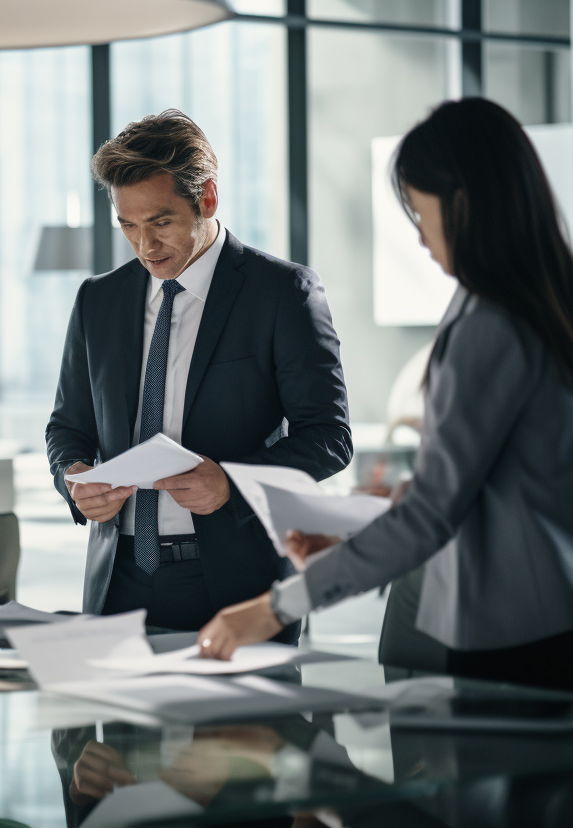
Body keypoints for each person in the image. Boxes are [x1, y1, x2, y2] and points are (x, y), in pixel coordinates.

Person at [197, 98, 573, 700]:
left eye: (421, 213)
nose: (421, 238)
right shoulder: (549, 300)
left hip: (527, 633)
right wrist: (361, 533)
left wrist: (274, 608)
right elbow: (513, 481)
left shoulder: (490, 323)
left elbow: (437, 513)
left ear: (466, 204)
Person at [46, 109, 351, 638]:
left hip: (237, 584)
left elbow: (330, 438)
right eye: (128, 226)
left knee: (247, 726)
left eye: (160, 222)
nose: (145, 246)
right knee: (122, 725)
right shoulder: (98, 300)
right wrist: (72, 477)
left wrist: (230, 482)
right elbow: (67, 426)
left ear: (207, 198)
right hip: (117, 583)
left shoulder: (282, 293)